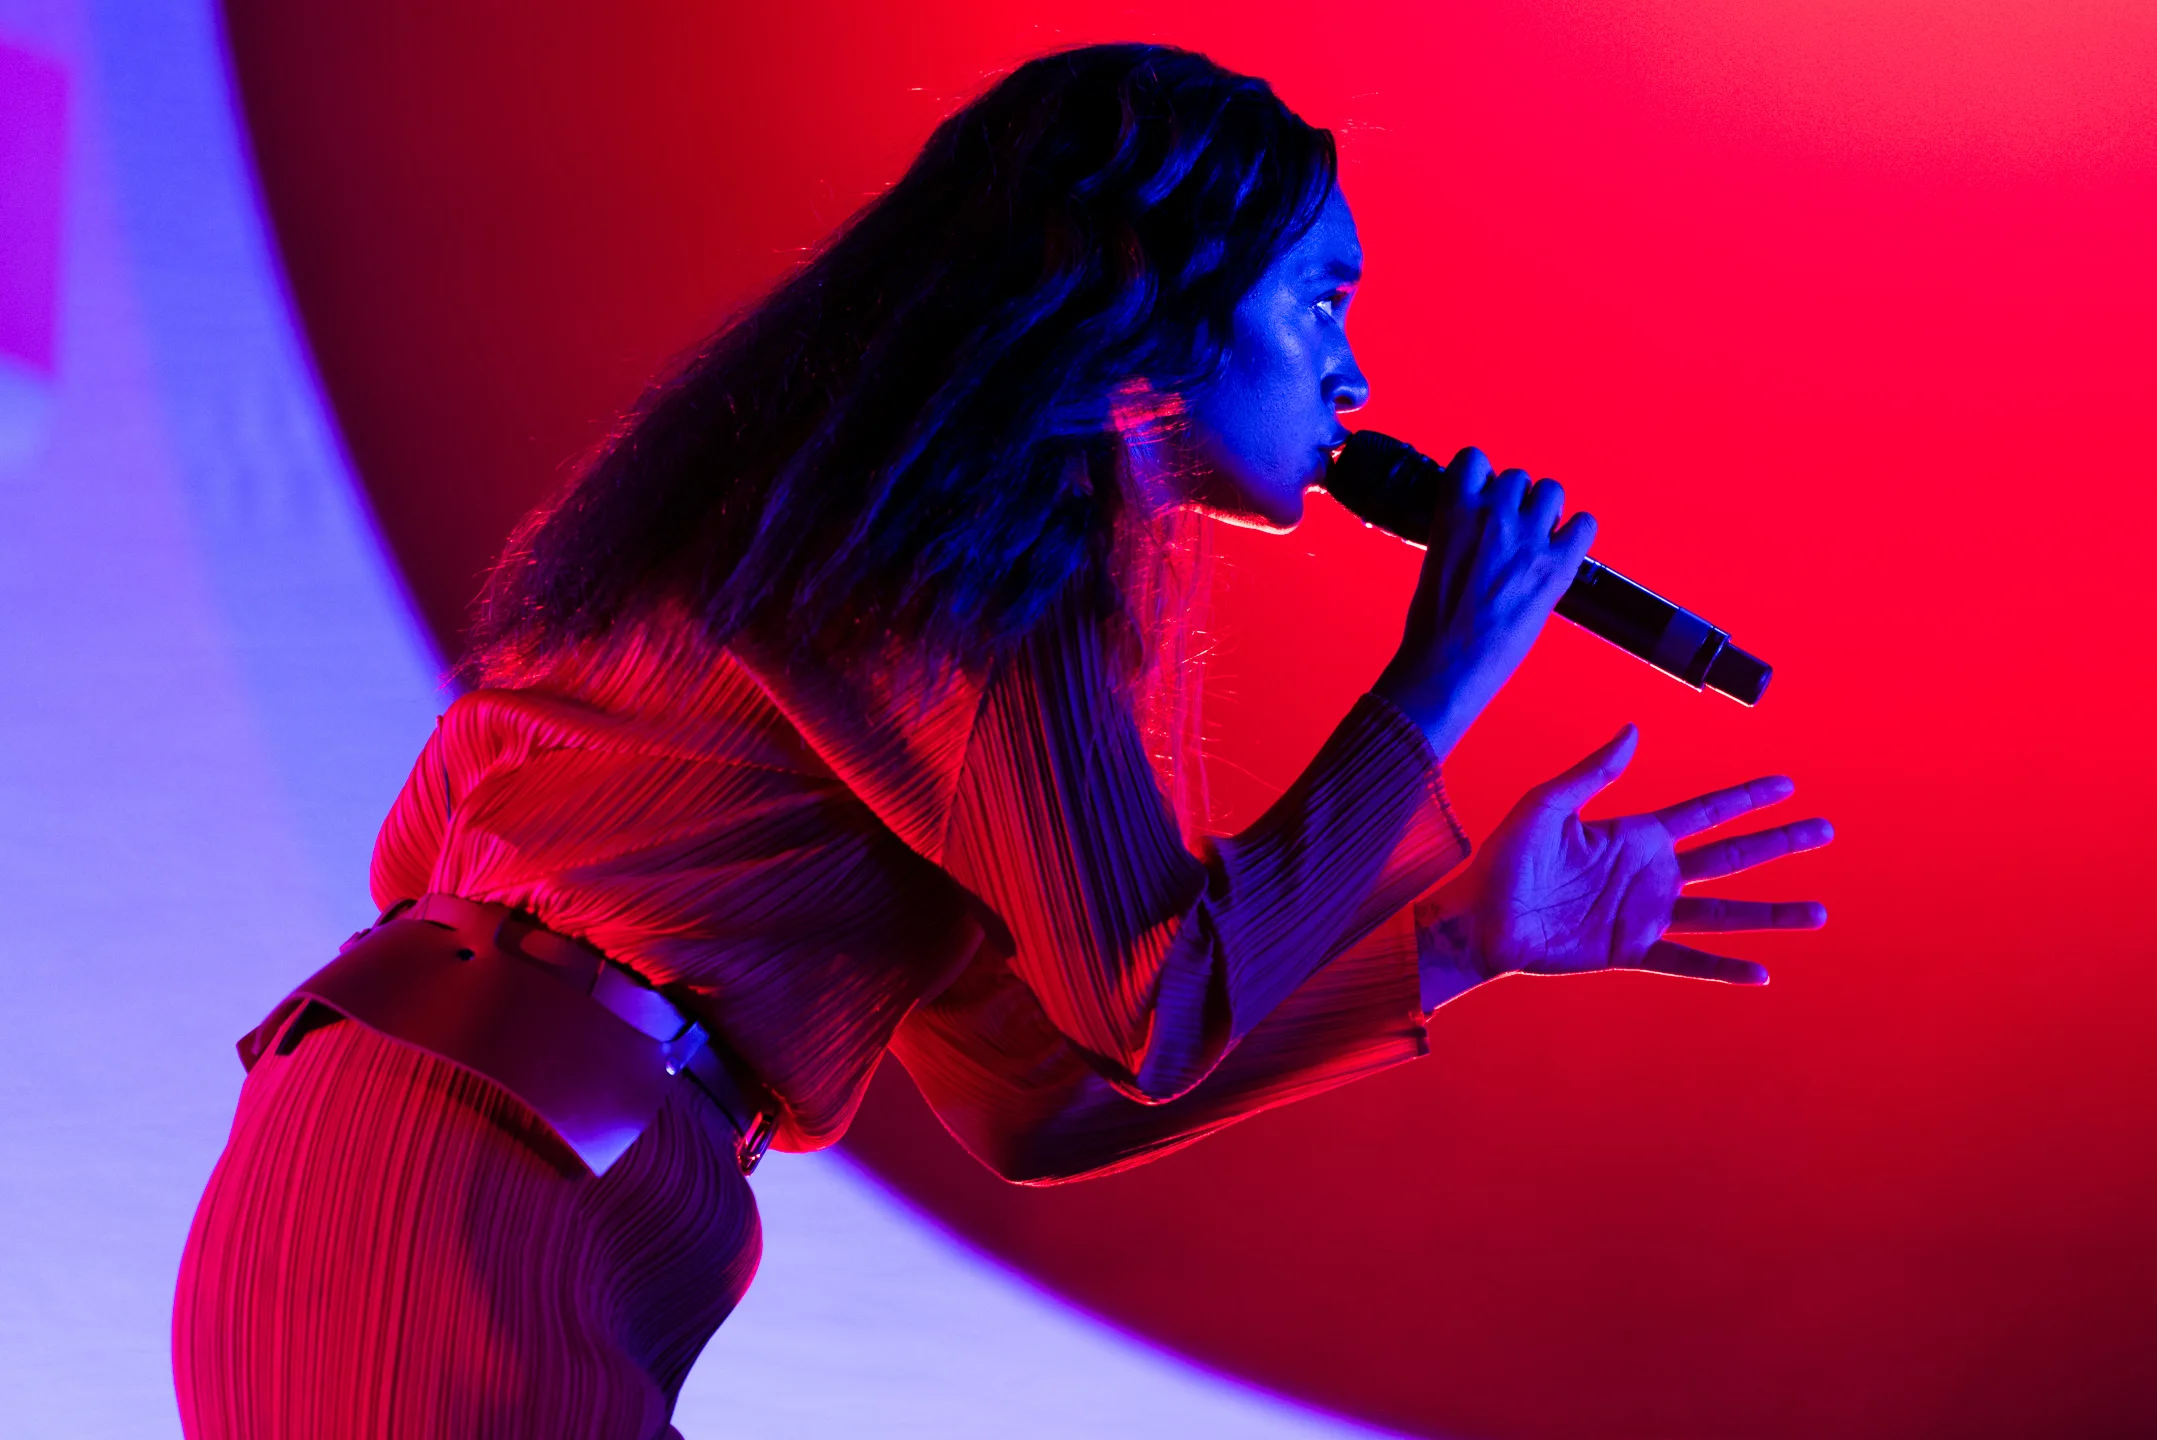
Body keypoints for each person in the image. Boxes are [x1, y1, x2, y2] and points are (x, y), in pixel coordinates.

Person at [173, 42, 1831, 1440]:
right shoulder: (947, 554)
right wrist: (1441, 678)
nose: (1355, 381)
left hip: (489, 1178)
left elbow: (1044, 1097)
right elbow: (1163, 996)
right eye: (1318, 305)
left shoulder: (940, 557)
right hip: (470, 1193)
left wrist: (1463, 941)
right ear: (1151, 304)